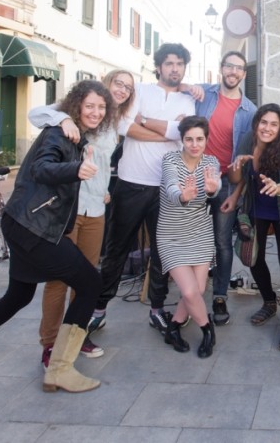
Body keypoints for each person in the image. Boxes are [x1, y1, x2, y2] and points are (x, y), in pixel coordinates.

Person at [0, 81, 113, 393]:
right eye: (90, 106)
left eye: (101, 107)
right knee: (90, 284)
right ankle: (60, 369)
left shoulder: (73, 134)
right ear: (76, 106)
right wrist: (75, 170)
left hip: (22, 225)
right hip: (35, 229)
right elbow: (43, 168)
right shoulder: (59, 133)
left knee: (17, 296)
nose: (96, 112)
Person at [87, 43, 195, 339]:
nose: (174, 68)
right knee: (116, 249)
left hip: (167, 186)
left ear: (184, 68)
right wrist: (167, 133)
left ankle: (157, 310)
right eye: (169, 63)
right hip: (131, 182)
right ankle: (98, 310)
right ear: (159, 66)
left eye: (179, 64)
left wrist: (144, 121)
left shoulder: (188, 99)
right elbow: (123, 125)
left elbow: (183, 134)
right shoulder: (141, 90)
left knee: (163, 253)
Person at [29, 70, 136, 365]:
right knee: (58, 280)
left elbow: (101, 163)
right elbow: (36, 113)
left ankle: (77, 333)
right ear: (107, 83)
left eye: (128, 87)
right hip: (67, 209)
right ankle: (50, 344)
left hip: (96, 210)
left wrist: (104, 189)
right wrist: (62, 118)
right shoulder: (77, 115)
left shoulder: (113, 121)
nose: (122, 90)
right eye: (118, 83)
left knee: (87, 277)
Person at [225, 103, 280, 351]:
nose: (267, 128)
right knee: (253, 257)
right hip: (256, 207)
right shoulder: (249, 139)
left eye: (273, 124)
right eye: (263, 122)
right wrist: (236, 168)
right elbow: (237, 178)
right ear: (257, 123)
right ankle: (269, 301)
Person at [192, 50, 257, 327]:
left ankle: (219, 296)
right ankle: (191, 294)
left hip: (227, 184)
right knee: (192, 240)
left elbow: (248, 160)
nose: (233, 71)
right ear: (221, 68)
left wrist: (236, 194)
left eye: (238, 68)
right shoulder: (203, 95)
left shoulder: (250, 111)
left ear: (243, 74)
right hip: (196, 178)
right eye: (229, 66)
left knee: (221, 242)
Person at [158, 116, 221, 358]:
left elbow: (213, 186)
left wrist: (212, 190)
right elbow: (172, 186)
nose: (195, 144)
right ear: (182, 140)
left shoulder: (211, 161)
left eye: (200, 139)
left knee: (198, 288)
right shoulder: (170, 159)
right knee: (189, 292)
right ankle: (207, 330)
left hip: (200, 232)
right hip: (171, 234)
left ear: (206, 140)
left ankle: (173, 328)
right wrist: (183, 196)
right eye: (189, 139)